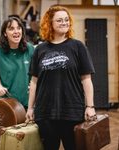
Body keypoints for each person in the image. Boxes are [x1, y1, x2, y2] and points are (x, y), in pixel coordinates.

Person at [26, 5, 96, 150]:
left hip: (72, 111)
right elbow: (34, 82)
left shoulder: (77, 47)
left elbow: (86, 79)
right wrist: (30, 108)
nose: (64, 23)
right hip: (45, 112)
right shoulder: (40, 49)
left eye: (66, 20)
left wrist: (90, 106)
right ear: (49, 24)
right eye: (59, 20)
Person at [0, 16, 34, 110]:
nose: (16, 31)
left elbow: (36, 72)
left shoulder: (30, 49)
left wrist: (33, 86)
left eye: (19, 28)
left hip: (27, 102)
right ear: (5, 33)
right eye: (11, 29)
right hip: (6, 103)